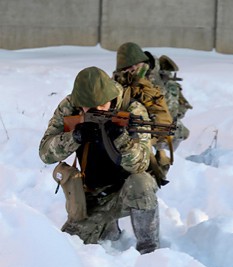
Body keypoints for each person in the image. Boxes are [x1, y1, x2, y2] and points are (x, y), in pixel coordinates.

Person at [39, 66, 160, 254]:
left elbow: (141, 163)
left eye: (103, 105)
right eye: (91, 108)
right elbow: (45, 153)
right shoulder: (69, 107)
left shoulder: (132, 110)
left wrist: (122, 141)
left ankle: (149, 249)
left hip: (125, 191)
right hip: (91, 196)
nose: (99, 110)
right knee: (68, 248)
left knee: (142, 182)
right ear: (80, 105)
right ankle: (108, 228)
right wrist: (74, 137)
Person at [112, 42, 174, 186]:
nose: (134, 70)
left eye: (137, 65)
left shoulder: (151, 83)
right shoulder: (116, 83)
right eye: (129, 67)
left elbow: (162, 116)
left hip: (148, 131)